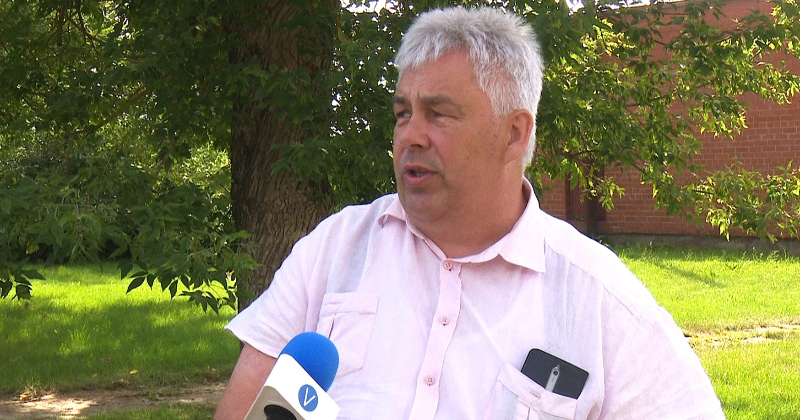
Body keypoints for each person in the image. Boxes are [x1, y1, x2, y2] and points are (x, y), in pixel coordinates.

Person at [215, 6, 725, 420]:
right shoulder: (334, 248)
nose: (410, 136)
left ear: (514, 134)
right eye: (402, 114)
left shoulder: (598, 301)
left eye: (438, 114)